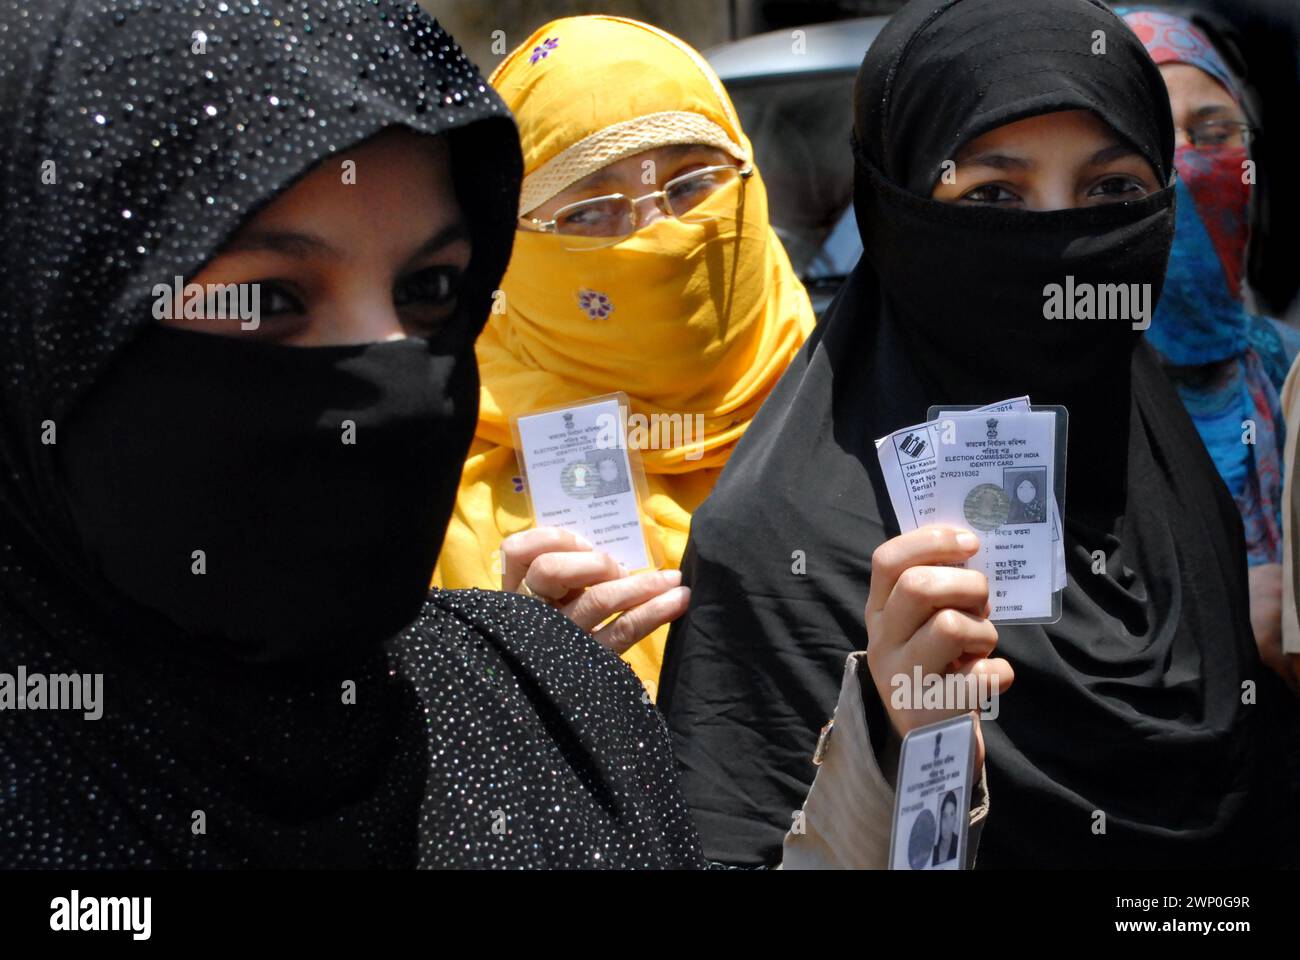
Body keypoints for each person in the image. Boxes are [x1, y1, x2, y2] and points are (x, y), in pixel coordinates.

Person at [0, 0, 969, 870]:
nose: (658, 237)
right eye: (273, 297)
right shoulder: (472, 553)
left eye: (427, 290)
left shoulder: (887, 419)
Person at [659, 0, 1298, 868]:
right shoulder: (779, 544)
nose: (1060, 240)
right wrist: (887, 738)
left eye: (1112, 190)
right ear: (892, 213)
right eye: (994, 194)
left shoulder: (1168, 478)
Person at [431, 16, 816, 690]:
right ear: (509, 251)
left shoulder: (867, 425)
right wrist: (521, 680)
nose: (659, 234)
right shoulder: (432, 499)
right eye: (588, 212)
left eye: (693, 183)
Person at [1120, 7, 1300, 693]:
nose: (1189, 167)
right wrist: (1225, 609)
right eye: (1153, 142)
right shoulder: (1058, 400)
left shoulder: (1289, 369)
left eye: (1213, 134)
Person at [932, 791, 959, 866]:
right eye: (944, 816)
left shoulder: (960, 846)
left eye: (951, 814)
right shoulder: (932, 851)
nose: (947, 822)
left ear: (955, 820)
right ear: (940, 819)